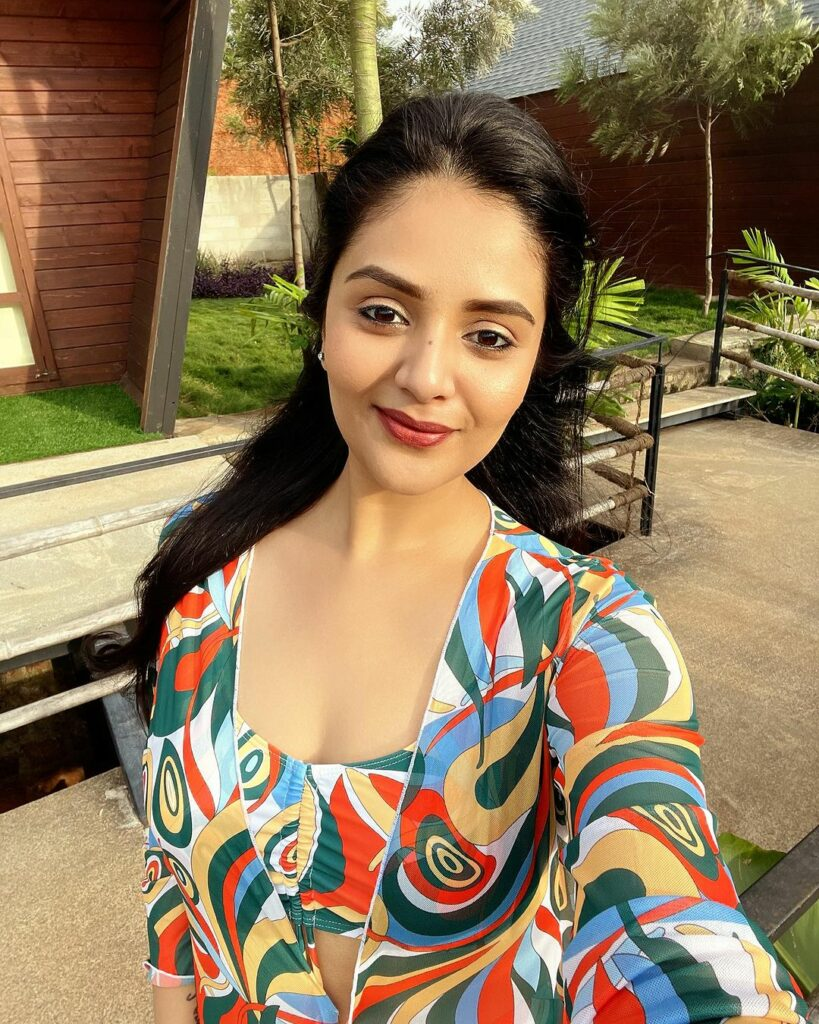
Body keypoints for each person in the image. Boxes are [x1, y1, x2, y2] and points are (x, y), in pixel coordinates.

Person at [95, 90, 808, 1023]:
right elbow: (175, 879)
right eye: (383, 311)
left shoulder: (586, 635)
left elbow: (668, 924)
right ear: (323, 318)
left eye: (488, 336)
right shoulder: (204, 562)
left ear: (533, 362)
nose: (426, 376)